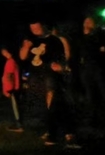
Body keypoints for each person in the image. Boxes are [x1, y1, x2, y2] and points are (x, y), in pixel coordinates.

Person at [19, 20, 79, 148]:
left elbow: (65, 57)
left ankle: (61, 132)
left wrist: (62, 67)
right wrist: (26, 46)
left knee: (53, 101)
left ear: (44, 26)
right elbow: (22, 57)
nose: (35, 30)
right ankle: (54, 130)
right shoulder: (31, 41)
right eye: (32, 28)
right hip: (35, 76)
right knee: (42, 104)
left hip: (50, 74)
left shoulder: (55, 40)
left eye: (37, 27)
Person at [77, 16, 105, 131]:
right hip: (85, 68)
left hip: (97, 68)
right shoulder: (79, 36)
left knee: (104, 92)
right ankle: (92, 118)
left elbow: (103, 51)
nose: (87, 23)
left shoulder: (98, 36)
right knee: (89, 94)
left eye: (90, 21)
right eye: (86, 21)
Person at [1, 47, 23, 132]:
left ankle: (18, 125)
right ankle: (16, 123)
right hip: (13, 88)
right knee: (14, 106)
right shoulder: (12, 61)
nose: (4, 54)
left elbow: (10, 76)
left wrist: (8, 89)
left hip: (12, 88)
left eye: (6, 52)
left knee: (15, 107)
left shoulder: (11, 62)